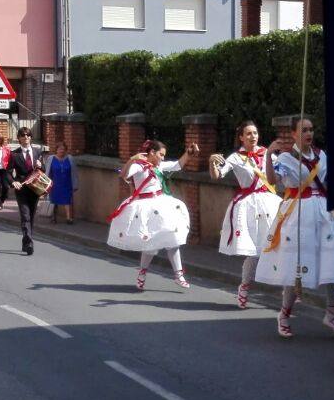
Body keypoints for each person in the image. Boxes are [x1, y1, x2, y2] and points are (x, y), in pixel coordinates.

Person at [258, 116, 334, 338]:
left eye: (311, 129)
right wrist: (267, 155)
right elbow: (273, 181)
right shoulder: (286, 157)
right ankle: (284, 314)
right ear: (293, 134)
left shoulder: (322, 155)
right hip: (298, 213)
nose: (309, 134)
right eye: (304, 130)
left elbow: (332, 182)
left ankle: (331, 313)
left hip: (323, 212)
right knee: (295, 267)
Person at [210, 121, 281, 310]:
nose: (253, 136)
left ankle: (288, 288)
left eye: (255, 133)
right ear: (241, 137)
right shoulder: (235, 157)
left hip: (271, 202)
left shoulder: (268, 153)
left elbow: (280, 174)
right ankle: (244, 287)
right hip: (250, 206)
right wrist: (212, 163)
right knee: (255, 251)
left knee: (280, 244)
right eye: (248, 133)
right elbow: (218, 175)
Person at [109, 138, 197, 289]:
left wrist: (188, 154)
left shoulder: (159, 166)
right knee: (150, 243)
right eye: (161, 155)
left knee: (173, 238)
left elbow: (178, 165)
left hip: (162, 204)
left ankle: (179, 274)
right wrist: (132, 159)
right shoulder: (138, 166)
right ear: (152, 152)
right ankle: (142, 273)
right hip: (145, 206)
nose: (163, 158)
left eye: (163, 156)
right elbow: (123, 175)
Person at [8, 128, 46, 256]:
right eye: (23, 135)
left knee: (31, 216)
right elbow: (7, 173)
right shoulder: (14, 154)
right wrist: (13, 182)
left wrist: (41, 165)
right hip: (22, 189)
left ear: (31, 137)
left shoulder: (37, 152)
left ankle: (26, 241)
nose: (26, 137)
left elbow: (43, 170)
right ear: (19, 138)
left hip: (35, 188)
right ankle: (29, 243)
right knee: (25, 216)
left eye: (28, 135)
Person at [46, 141, 75, 224]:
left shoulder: (70, 159)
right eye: (59, 149)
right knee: (54, 201)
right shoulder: (51, 158)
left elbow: (74, 173)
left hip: (67, 183)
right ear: (56, 150)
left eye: (63, 149)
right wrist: (47, 184)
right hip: (55, 184)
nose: (61, 151)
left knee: (67, 200)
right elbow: (48, 172)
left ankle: (69, 218)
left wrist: (75, 184)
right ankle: (53, 217)